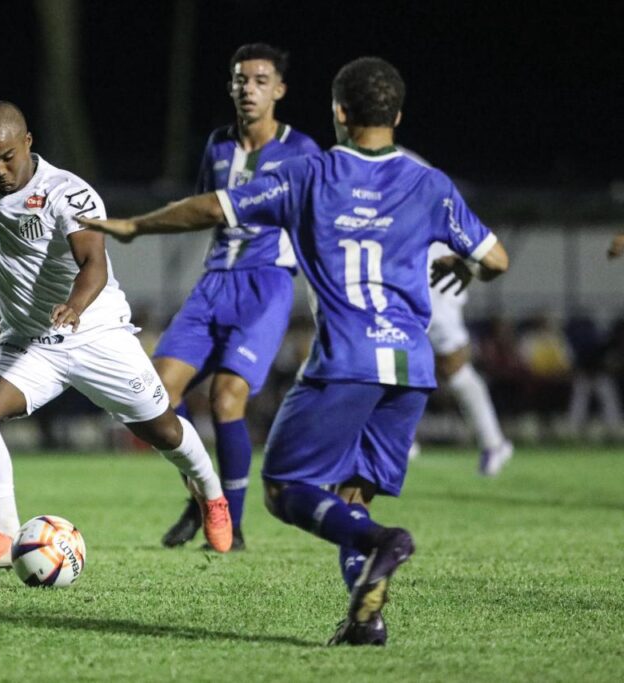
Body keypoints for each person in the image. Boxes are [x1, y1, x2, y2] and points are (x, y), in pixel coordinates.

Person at [79, 57, 509, 645]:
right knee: (350, 497)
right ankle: (367, 619)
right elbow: (496, 260)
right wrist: (463, 263)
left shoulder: (310, 173)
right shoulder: (430, 184)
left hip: (346, 362)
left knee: (284, 489)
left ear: (338, 113)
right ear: (399, 116)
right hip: (410, 368)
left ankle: (385, 543)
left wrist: (133, 227)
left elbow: (214, 207)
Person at [0, 101, 233, 571]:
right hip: (30, 343)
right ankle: (4, 536)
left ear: (28, 142)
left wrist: (75, 306)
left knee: (161, 428)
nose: (1, 170)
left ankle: (210, 491)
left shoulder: (68, 193)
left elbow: (94, 264)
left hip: (95, 334)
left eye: (8, 157)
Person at [157, 43, 320, 551]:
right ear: (231, 87)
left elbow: (318, 223)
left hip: (265, 282)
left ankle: (234, 527)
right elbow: (208, 208)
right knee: (155, 393)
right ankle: (205, 496)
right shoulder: (217, 146)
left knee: (228, 399)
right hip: (213, 283)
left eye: (260, 79)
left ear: (279, 90)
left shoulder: (303, 152)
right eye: (240, 79)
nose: (248, 88)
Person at [421, 243, 513, 475]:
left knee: (453, 367)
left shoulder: (444, 207)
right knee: (386, 354)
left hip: (437, 284)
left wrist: (468, 263)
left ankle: (493, 443)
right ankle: (392, 440)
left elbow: (487, 251)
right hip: (398, 274)